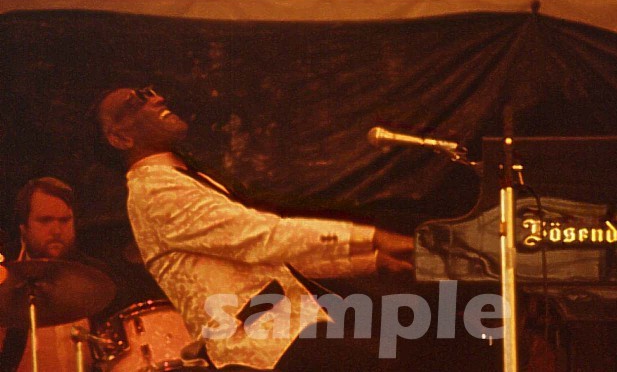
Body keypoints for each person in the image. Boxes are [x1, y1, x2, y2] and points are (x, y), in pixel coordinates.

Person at [97, 86, 415, 371]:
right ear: (120, 138)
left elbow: (271, 258)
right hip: (263, 345)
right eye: (136, 101)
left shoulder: (178, 180)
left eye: (150, 91)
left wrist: (370, 261)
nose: (156, 98)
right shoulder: (156, 190)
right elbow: (263, 236)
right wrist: (371, 238)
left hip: (285, 333)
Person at [0, 177, 98, 372]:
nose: (56, 230)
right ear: (23, 228)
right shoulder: (5, 274)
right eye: (45, 220)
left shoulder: (97, 278)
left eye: (64, 220)